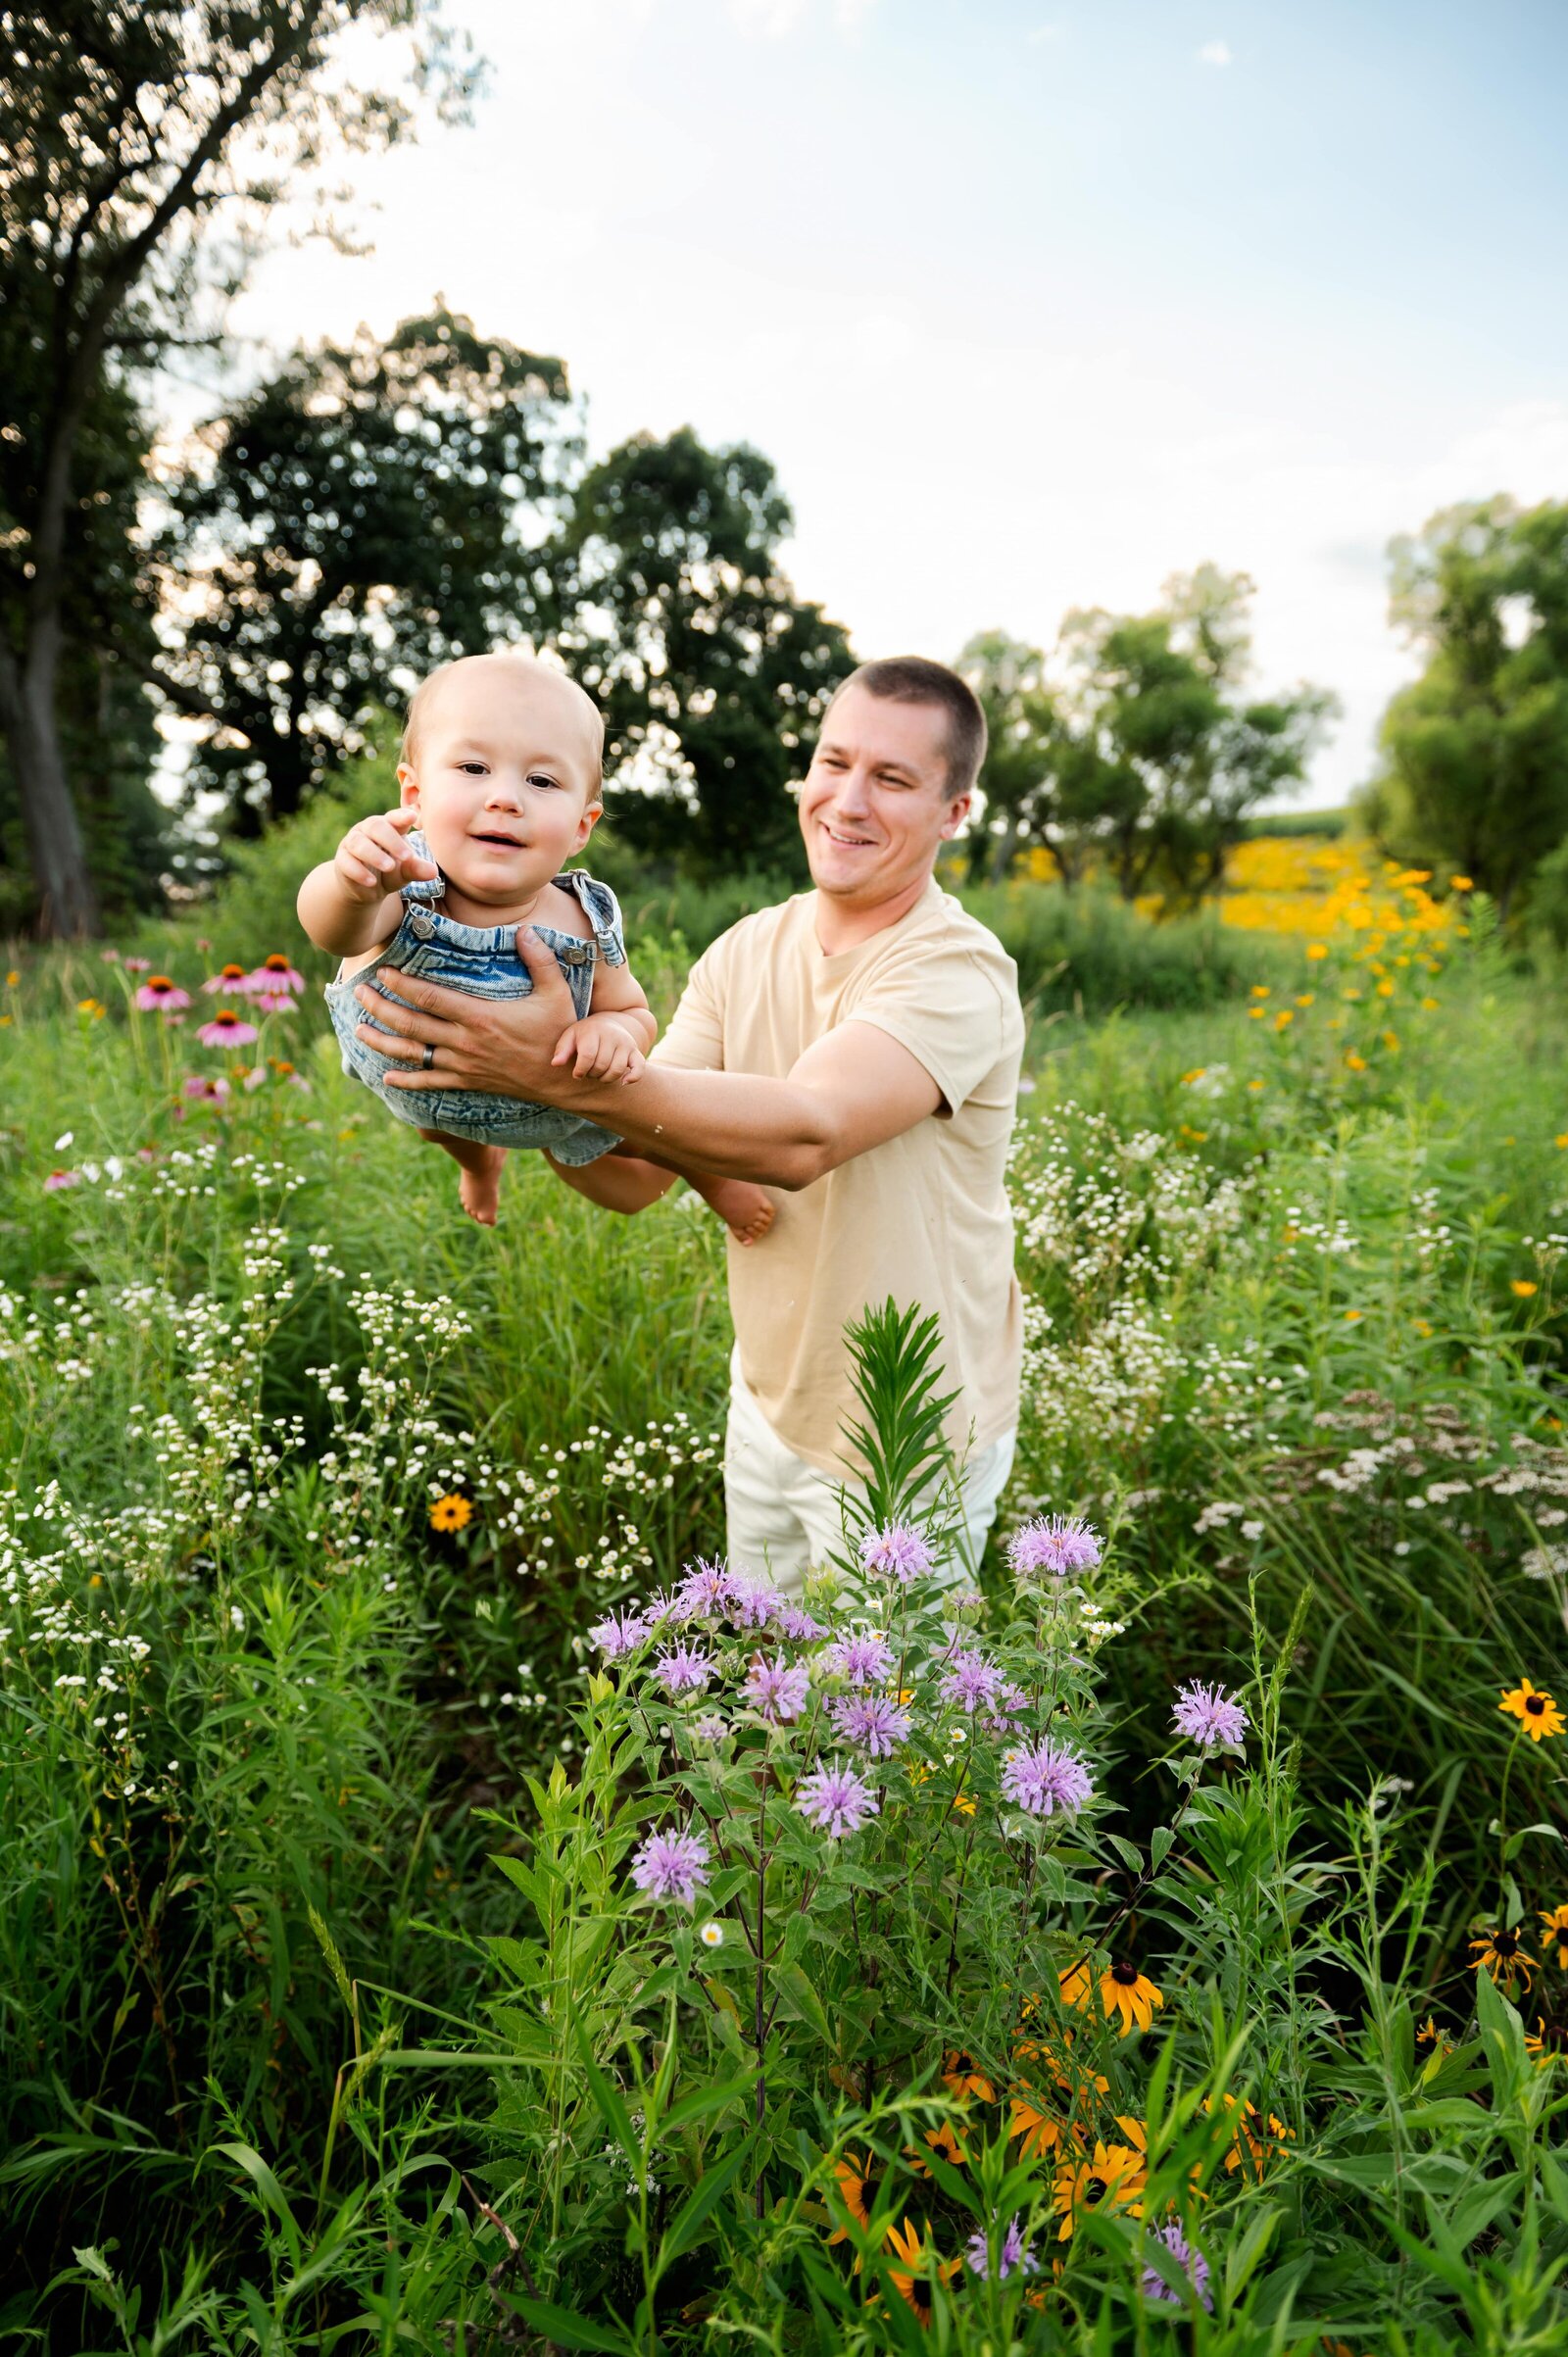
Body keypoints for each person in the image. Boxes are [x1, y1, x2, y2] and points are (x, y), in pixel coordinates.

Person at [351, 656, 1025, 1591]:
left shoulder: (955, 969)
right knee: (767, 1701)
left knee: (893, 1727)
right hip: (769, 1403)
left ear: (954, 812)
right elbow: (631, 1172)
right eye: (834, 763)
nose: (848, 801)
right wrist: (511, 1091)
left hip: (906, 1436)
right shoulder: (745, 950)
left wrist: (540, 1072)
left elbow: (806, 1136)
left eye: (894, 779)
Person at [298, 651, 775, 1238]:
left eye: (542, 781)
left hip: (558, 1101)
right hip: (423, 1085)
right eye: (473, 768)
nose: (505, 797)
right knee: (437, 1126)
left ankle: (710, 1174)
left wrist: (612, 1033)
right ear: (413, 795)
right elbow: (334, 931)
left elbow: (632, 1010)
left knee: (629, 1127)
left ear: (581, 826)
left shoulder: (582, 918)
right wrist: (349, 883)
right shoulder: (405, 877)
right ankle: (479, 1168)